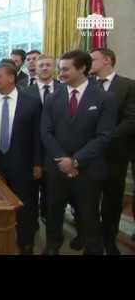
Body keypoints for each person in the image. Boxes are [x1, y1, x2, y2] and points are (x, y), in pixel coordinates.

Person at [41, 50, 117, 255]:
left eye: (65, 69)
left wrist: (75, 161)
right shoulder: (52, 97)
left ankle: (93, 249)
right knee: (54, 212)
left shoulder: (104, 98)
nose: (61, 73)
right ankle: (52, 246)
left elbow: (103, 136)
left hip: (89, 171)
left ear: (82, 68)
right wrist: (63, 160)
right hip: (57, 169)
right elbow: (46, 132)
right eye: (60, 68)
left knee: (88, 216)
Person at [0, 61, 42, 254]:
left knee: (25, 206)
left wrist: (38, 163)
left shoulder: (31, 101)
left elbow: (38, 136)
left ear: (11, 78)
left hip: (23, 163)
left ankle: (25, 244)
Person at [89, 47, 135, 255]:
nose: (88, 63)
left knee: (112, 202)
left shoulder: (128, 86)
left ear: (107, 60)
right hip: (88, 156)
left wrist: (104, 139)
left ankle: (109, 240)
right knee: (87, 202)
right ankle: (91, 241)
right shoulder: (86, 85)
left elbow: (131, 119)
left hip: (115, 155)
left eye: (93, 59)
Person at [22, 54, 62, 225]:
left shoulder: (64, 89)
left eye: (48, 65)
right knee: (31, 190)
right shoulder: (24, 92)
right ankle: (33, 223)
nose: (45, 68)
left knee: (53, 193)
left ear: (54, 68)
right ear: (35, 69)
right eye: (41, 65)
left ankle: (50, 220)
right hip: (31, 149)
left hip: (57, 149)